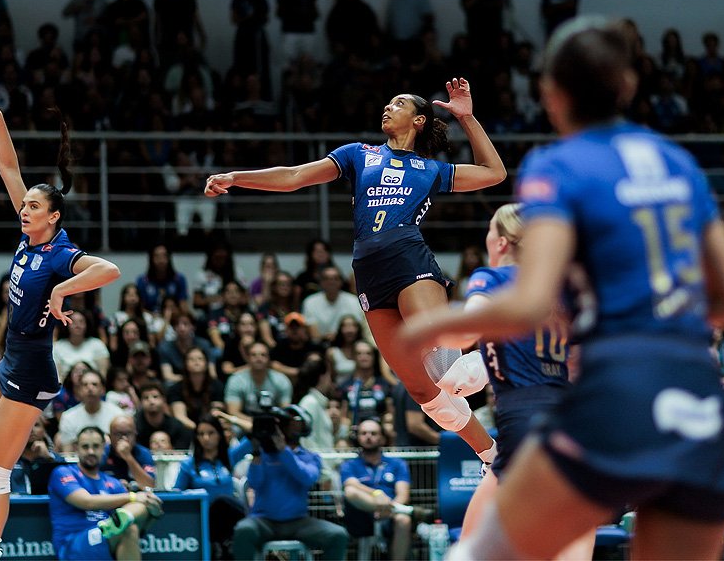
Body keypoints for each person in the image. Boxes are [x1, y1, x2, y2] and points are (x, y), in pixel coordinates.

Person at [398, 16, 724, 561]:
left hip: (617, 398)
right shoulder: (676, 162)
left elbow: (529, 302)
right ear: (628, 85)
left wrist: (427, 328)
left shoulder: (560, 165)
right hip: (700, 402)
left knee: (479, 554)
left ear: (550, 95)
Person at [205, 77, 507, 470]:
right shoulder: (358, 154)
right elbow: (294, 176)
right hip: (368, 272)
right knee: (428, 397)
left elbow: (494, 172)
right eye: (388, 103)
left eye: (398, 103)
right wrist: (235, 177)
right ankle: (493, 457)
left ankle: (508, 346)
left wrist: (467, 118)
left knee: (453, 376)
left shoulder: (431, 169)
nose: (387, 107)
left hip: (407, 257)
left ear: (418, 120)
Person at [0, 97, 121, 561]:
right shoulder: (28, 236)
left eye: (34, 206)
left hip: (33, 370)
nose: (24, 209)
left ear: (53, 216)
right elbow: (7, 166)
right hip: (11, 361)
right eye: (24, 204)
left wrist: (62, 290)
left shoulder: (61, 253)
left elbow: (109, 270)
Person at [453, 203, 596, 560]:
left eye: (490, 230)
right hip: (571, 416)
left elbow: (464, 332)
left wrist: (429, 341)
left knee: (470, 548)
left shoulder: (492, 278)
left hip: (525, 417)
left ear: (501, 242)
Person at [230, 405, 349, 560]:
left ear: (304, 426)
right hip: (264, 521)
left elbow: (307, 478)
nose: (289, 426)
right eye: (285, 422)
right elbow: (255, 483)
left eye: (294, 421)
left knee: (338, 535)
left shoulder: (309, 457)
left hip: (298, 522)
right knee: (243, 530)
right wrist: (256, 450)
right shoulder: (263, 454)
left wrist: (283, 451)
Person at [48, 426, 163, 561]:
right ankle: (112, 525)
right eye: (85, 447)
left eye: (96, 446)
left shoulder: (113, 483)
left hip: (105, 539)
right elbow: (87, 502)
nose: (91, 451)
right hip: (73, 544)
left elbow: (140, 526)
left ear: (104, 448)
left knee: (133, 521)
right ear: (76, 448)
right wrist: (133, 496)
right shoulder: (63, 473)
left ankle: (113, 525)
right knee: (133, 509)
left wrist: (153, 513)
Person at [340, 418, 416, 560]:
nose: (368, 437)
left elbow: (403, 495)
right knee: (350, 491)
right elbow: (350, 484)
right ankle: (391, 509)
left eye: (373, 433)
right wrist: (376, 493)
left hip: (391, 514)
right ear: (358, 437)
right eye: (364, 433)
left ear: (382, 437)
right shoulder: (349, 465)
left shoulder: (397, 464)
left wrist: (387, 509)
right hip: (360, 513)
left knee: (404, 520)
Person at [173, 415, 246, 558]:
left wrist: (230, 418)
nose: (206, 438)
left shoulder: (229, 457)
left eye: (211, 433)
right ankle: (221, 544)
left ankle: (224, 544)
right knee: (220, 501)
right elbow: (177, 494)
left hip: (230, 518)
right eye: (201, 434)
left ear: (219, 435)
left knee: (224, 502)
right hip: (203, 519)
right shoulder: (189, 464)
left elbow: (254, 434)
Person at [103, 414, 157, 490]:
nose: (124, 438)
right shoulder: (102, 454)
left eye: (128, 433)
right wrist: (116, 485)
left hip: (138, 496)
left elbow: (150, 485)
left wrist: (128, 457)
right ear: (109, 436)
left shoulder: (144, 453)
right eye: (118, 434)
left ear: (135, 434)